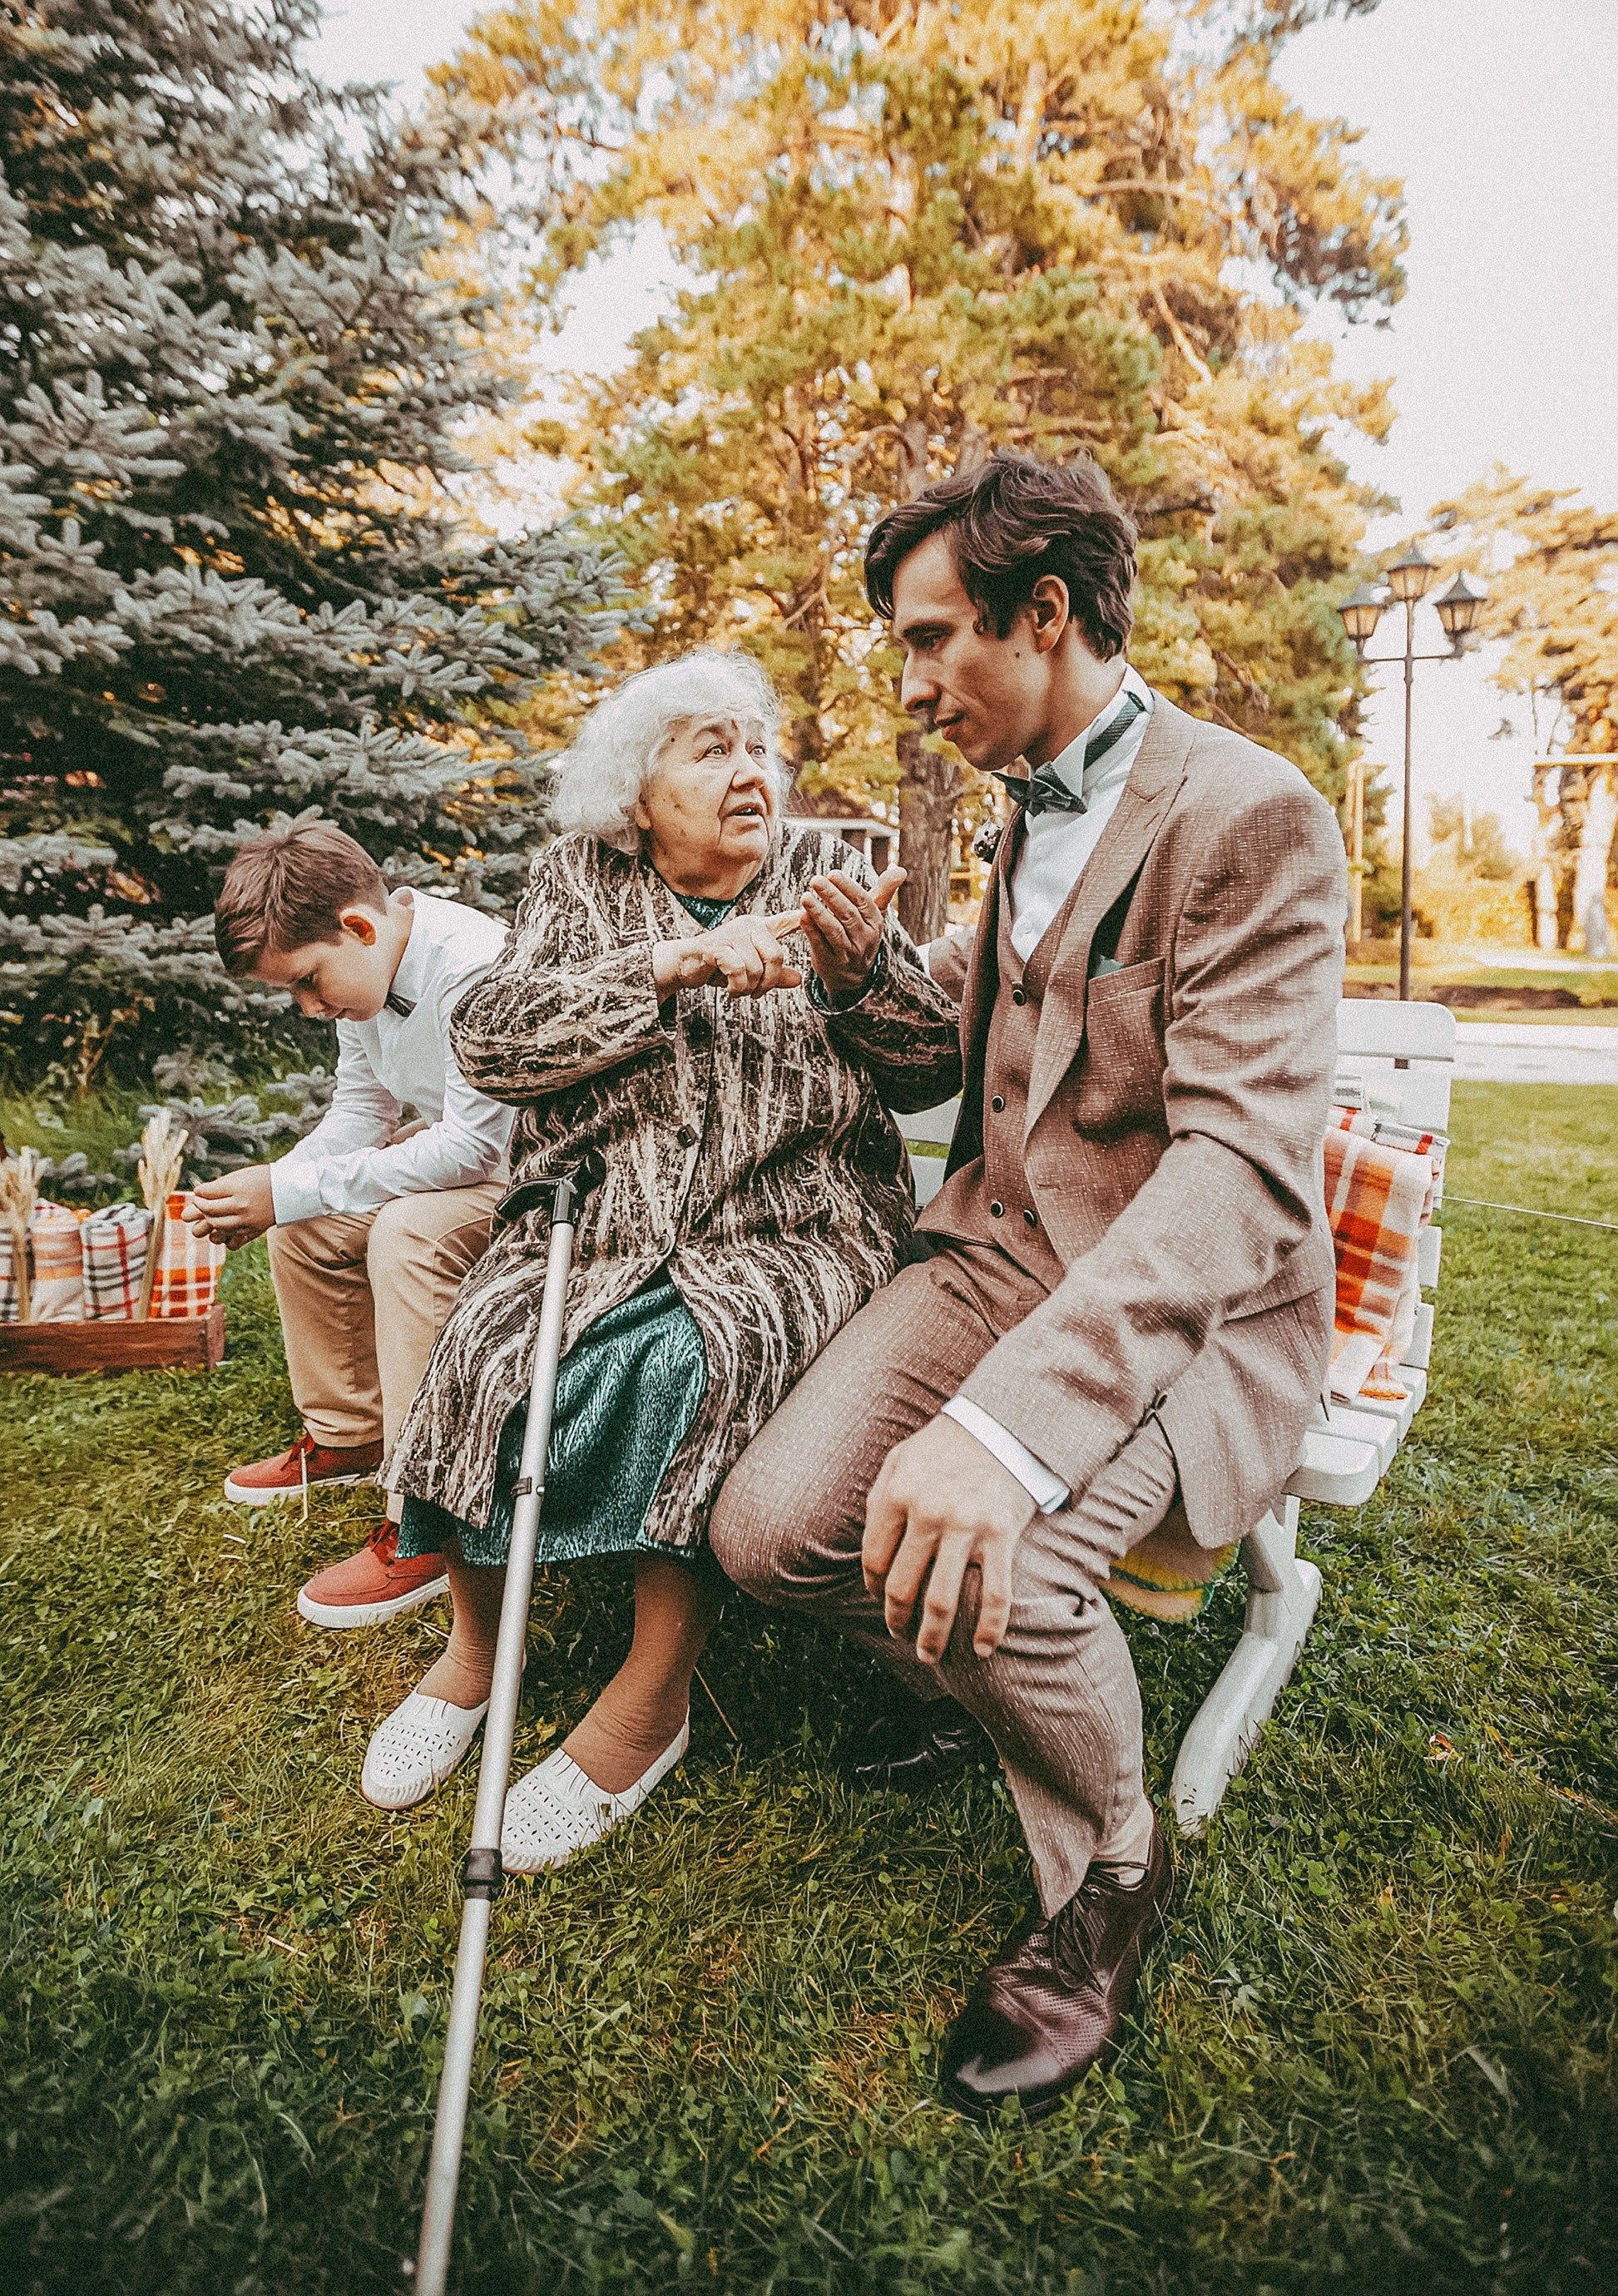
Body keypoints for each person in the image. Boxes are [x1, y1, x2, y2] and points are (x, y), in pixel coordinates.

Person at [710, 453, 1346, 2122]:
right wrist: (858, 976)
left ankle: (1114, 1866)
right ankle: (966, 1684)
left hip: (1186, 1312)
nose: (912, 686)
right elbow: (967, 1066)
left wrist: (1005, 1441)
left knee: (1021, 1565)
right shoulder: (1025, 813)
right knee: (768, 1534)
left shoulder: (1251, 814)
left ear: (1044, 612)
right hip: (997, 1257)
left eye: (931, 641)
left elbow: (1241, 1169)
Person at [367, 647, 961, 1871]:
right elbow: (491, 1041)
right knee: (483, 1348)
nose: (751, 773)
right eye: (712, 750)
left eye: (759, 749)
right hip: (601, 1210)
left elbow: (930, 1068)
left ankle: (651, 1700)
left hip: (793, 1218)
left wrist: (858, 982)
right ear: (637, 795)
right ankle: (474, 1654)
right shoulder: (575, 879)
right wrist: (665, 966)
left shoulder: (827, 872)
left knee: (700, 1360)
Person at [192, 823, 515, 1629]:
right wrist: (281, 1189)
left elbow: (475, 1147)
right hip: (468, 1163)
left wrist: (290, 1188)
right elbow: (362, 1110)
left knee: (406, 1234)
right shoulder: (365, 973)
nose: (308, 1007)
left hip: (539, 1174)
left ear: (359, 927)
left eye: (307, 981)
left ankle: (427, 1519)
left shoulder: (470, 963)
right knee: (305, 1224)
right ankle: (349, 1434)